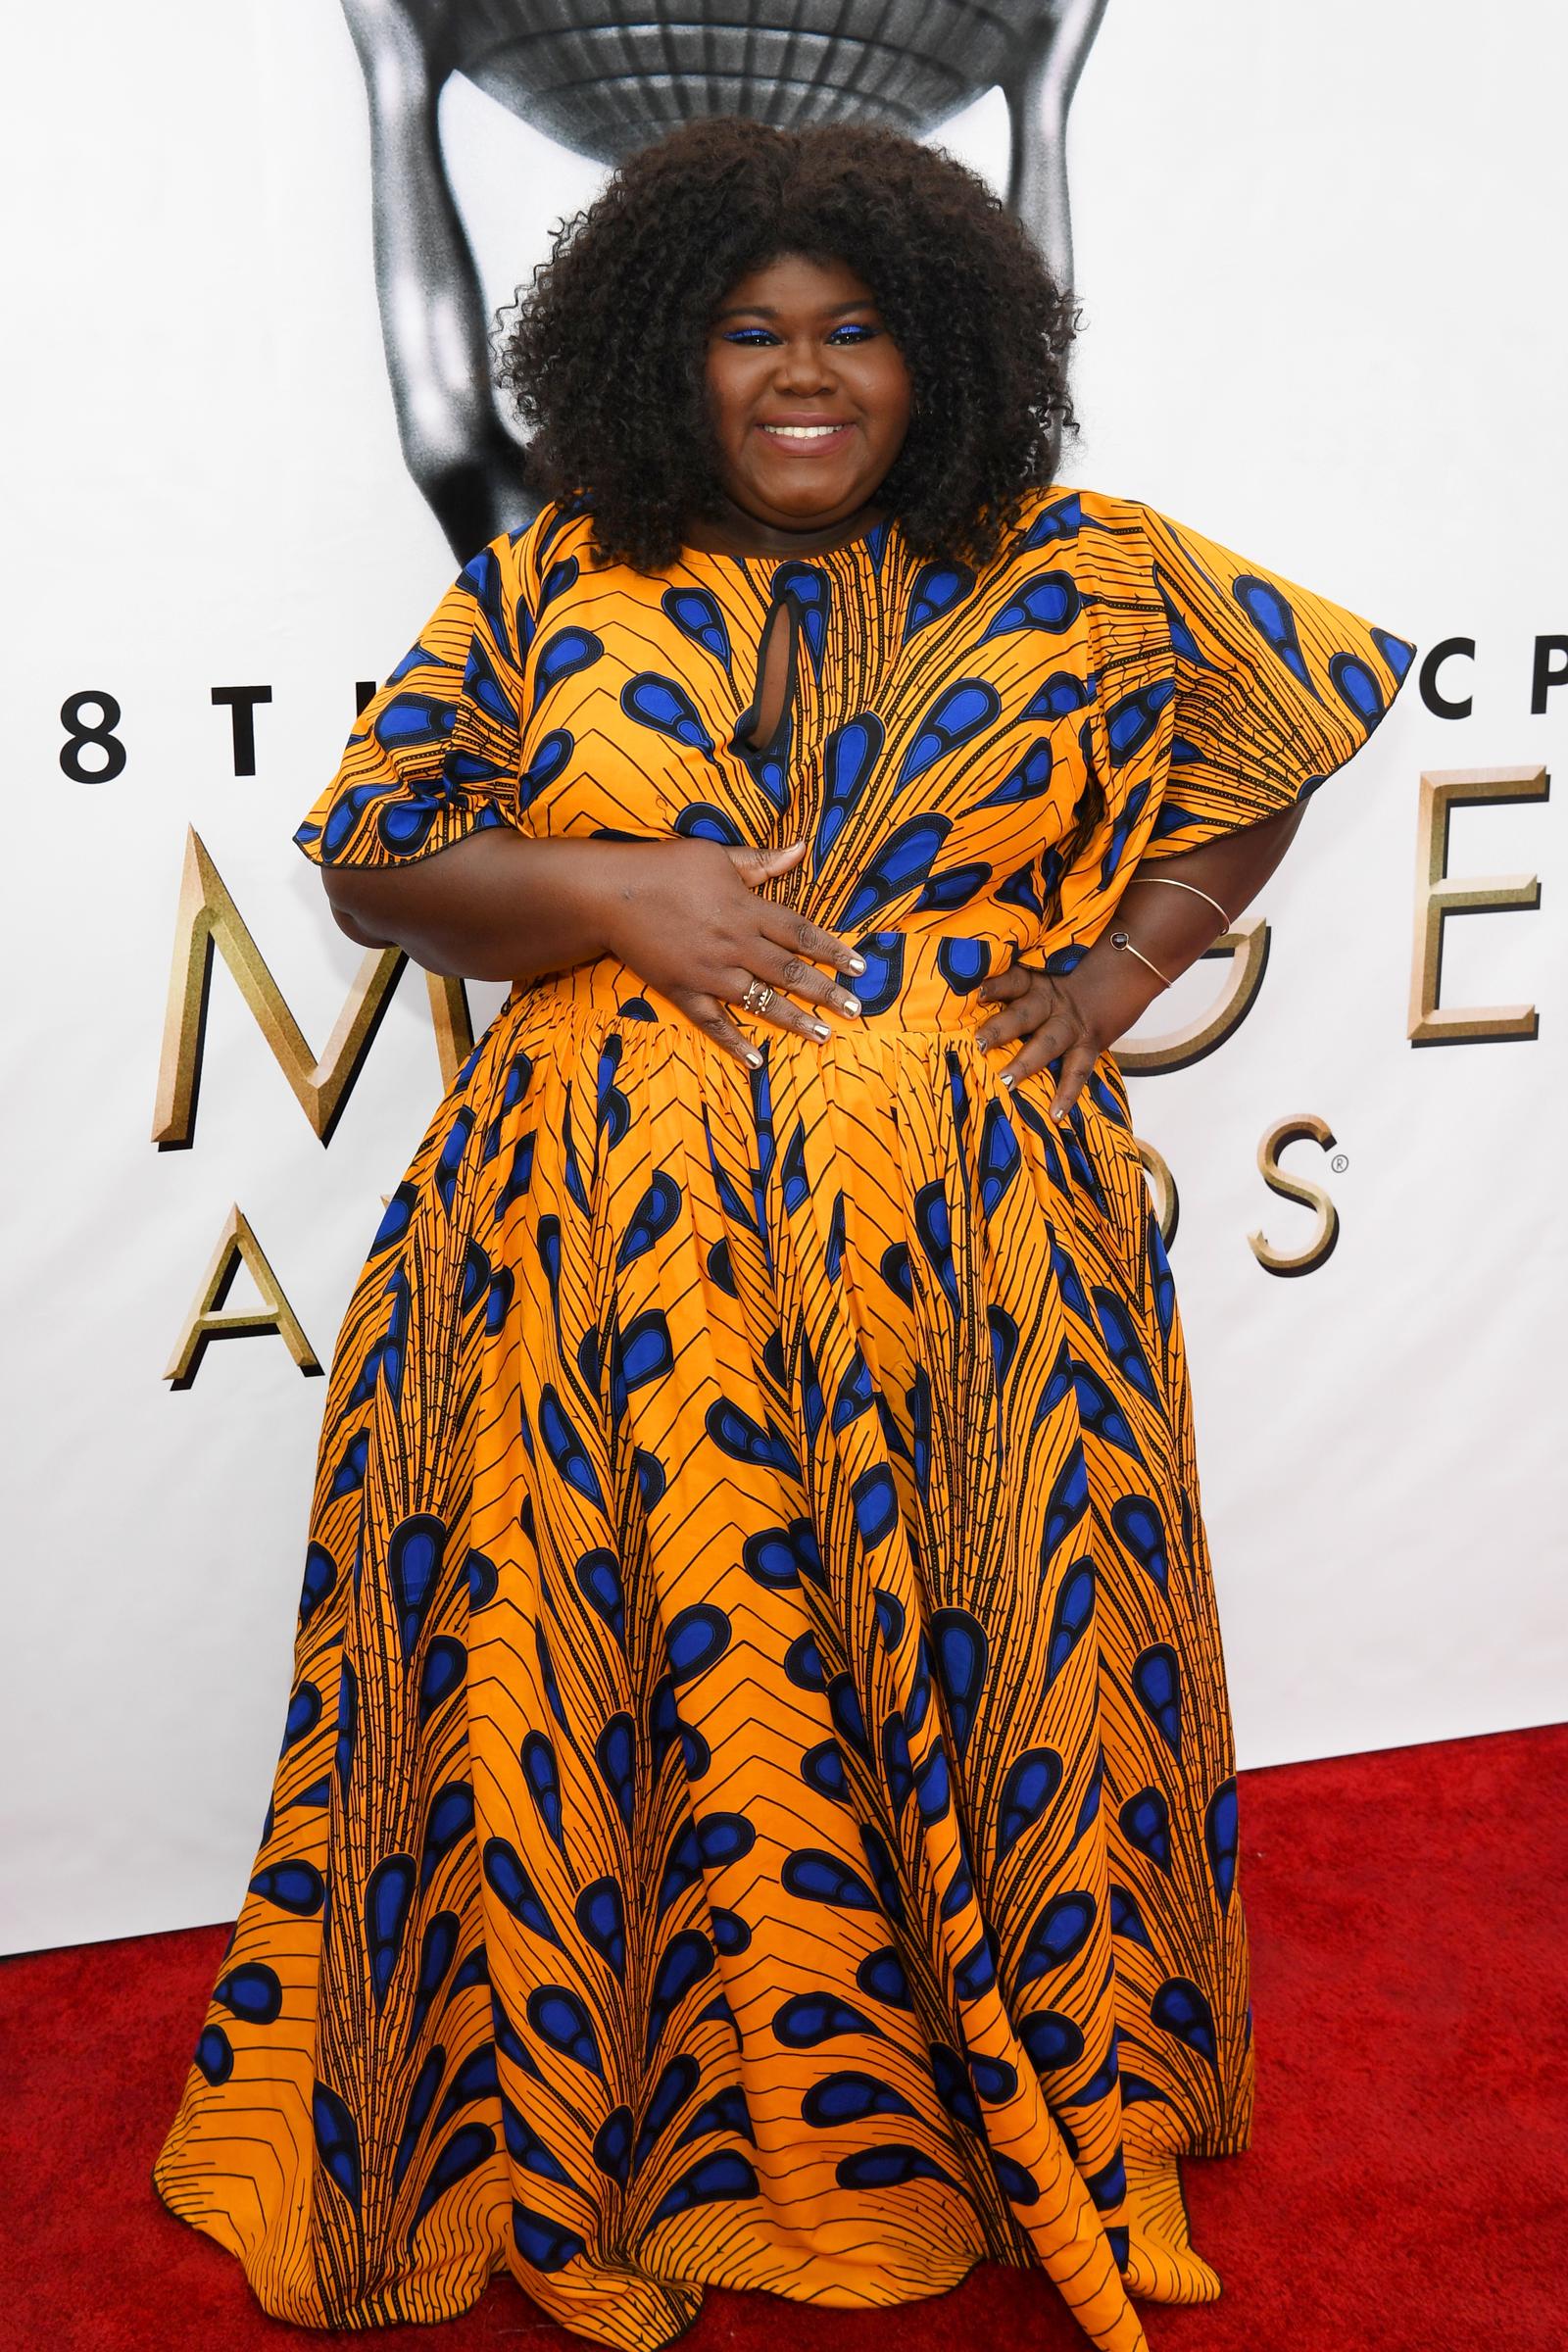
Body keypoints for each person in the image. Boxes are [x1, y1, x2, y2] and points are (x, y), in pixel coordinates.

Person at [153, 118, 1412, 2352]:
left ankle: (960, 2108)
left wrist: (1118, 973)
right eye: (749, 330)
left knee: (990, 1659)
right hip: (585, 1274)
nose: (801, 375)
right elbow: (373, 863)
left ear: (938, 356)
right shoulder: (548, 583)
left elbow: (1290, 710)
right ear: (670, 354)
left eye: (851, 332)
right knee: (642, 1691)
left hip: (978, 1272)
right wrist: (608, 889)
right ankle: (644, 2129)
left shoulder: (1079, 568)